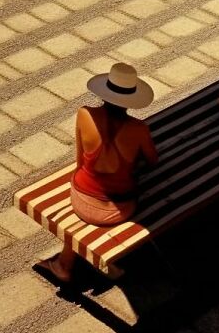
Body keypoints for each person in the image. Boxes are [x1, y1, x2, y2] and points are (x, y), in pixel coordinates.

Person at [36, 62, 158, 282]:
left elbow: (79, 160)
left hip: (81, 200)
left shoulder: (84, 114)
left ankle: (65, 263)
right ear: (132, 98)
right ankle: (93, 261)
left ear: (105, 92)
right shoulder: (139, 129)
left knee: (83, 179)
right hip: (119, 209)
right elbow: (153, 161)